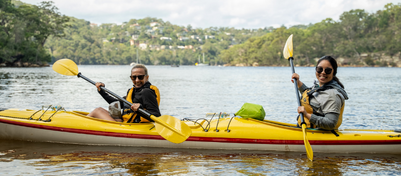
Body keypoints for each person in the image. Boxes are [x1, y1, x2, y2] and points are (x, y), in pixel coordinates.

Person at [88, 64, 161, 123]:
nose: (137, 80)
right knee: (100, 109)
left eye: (140, 77)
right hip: (125, 122)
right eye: (134, 77)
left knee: (97, 111)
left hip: (134, 127)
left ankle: (78, 126)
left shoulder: (146, 92)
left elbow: (156, 116)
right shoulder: (132, 91)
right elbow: (116, 103)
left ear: (147, 77)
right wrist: (102, 91)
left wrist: (140, 109)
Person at [291, 56, 348, 130]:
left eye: (327, 70)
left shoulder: (332, 95)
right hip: (306, 128)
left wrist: (306, 114)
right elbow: (311, 97)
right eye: (319, 69)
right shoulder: (320, 86)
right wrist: (298, 82)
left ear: (334, 72)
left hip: (318, 133)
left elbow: (331, 124)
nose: (323, 72)